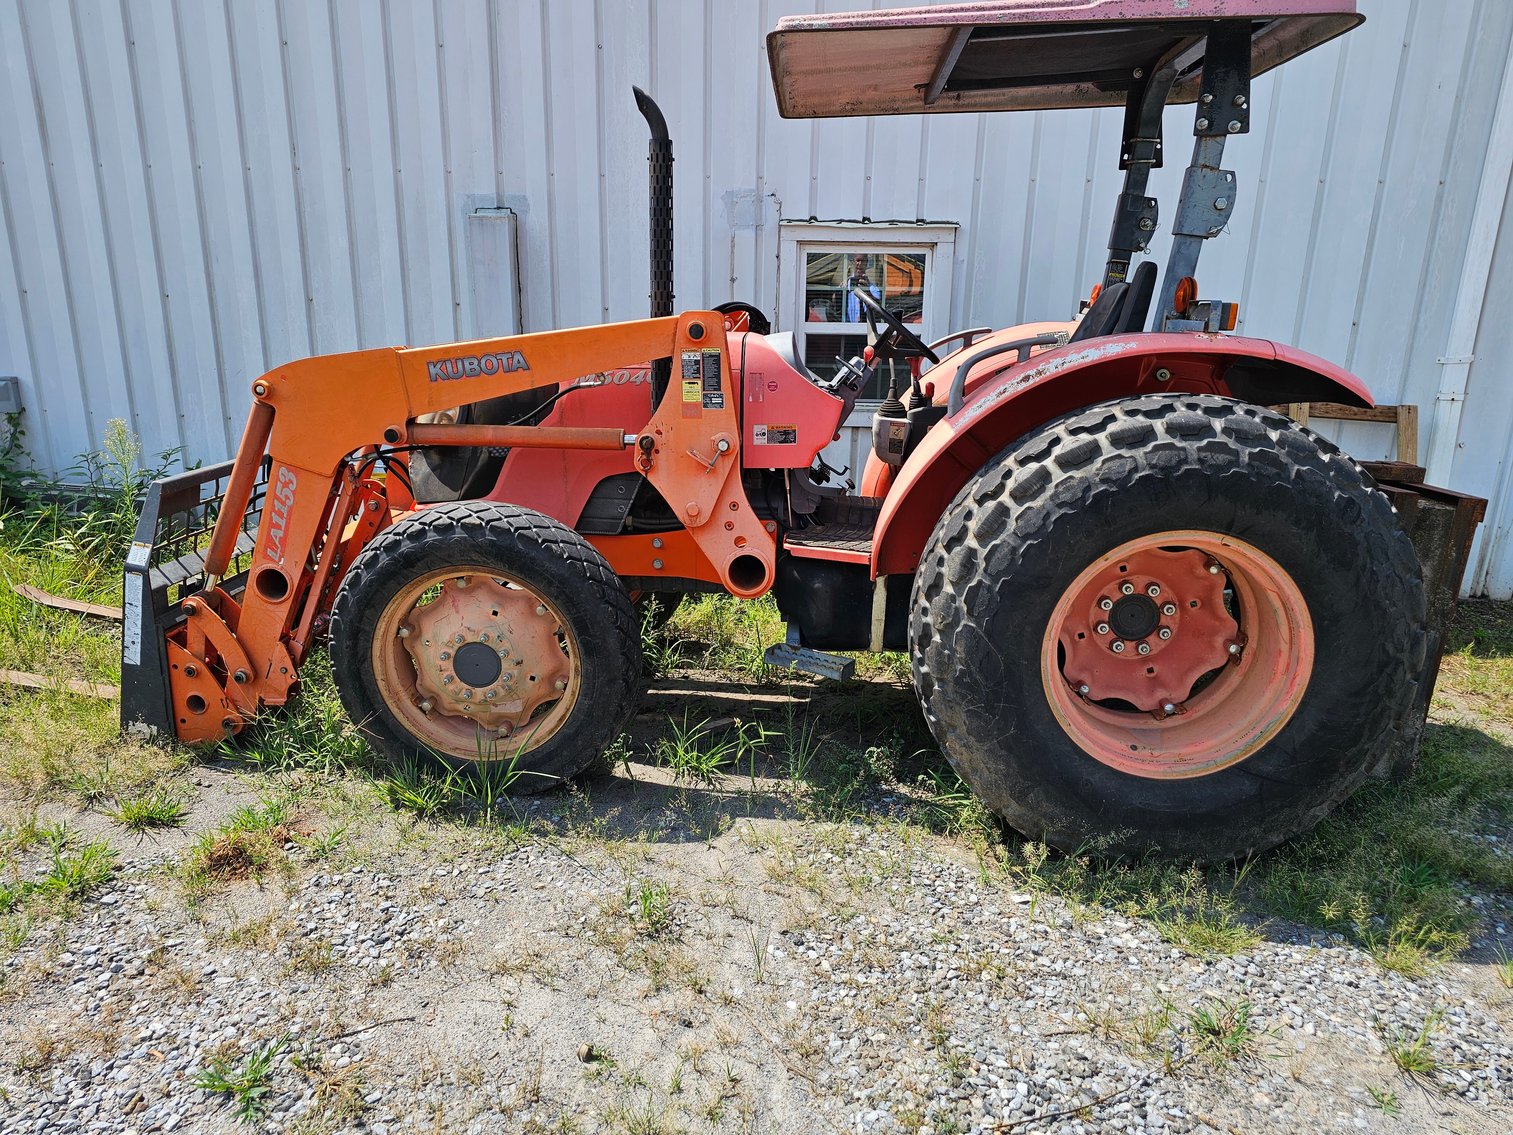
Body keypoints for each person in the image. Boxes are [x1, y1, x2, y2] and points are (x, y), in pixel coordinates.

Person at [843, 252, 881, 322]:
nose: (860, 264)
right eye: (857, 260)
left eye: (863, 261)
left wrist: (868, 293)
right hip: (847, 327)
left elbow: (877, 308)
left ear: (866, 263)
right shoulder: (845, 286)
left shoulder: (873, 289)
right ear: (853, 262)